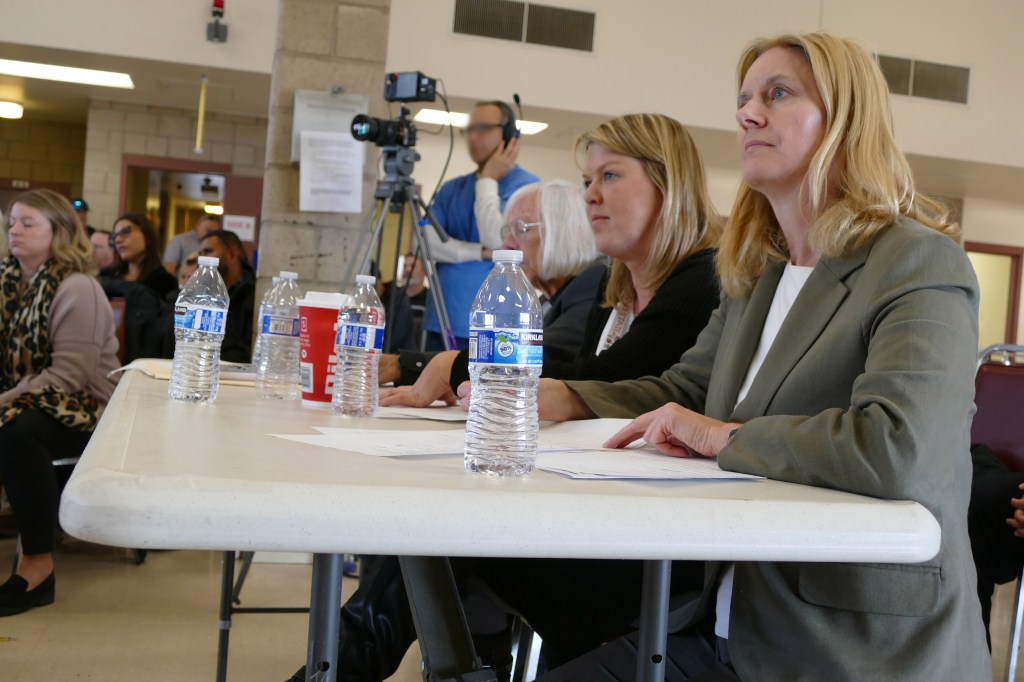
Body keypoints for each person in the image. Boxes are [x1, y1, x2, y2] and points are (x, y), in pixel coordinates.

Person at [518, 32, 990, 680]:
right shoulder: (759, 272)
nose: (746, 114)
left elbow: (898, 447)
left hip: (854, 649)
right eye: (743, 99)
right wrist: (570, 397)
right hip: (728, 627)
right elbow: (685, 389)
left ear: (845, 119)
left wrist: (723, 438)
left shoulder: (918, 261)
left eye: (777, 94)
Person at [285, 114, 724, 682]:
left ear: (670, 186)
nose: (590, 195)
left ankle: (340, 668)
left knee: (433, 529)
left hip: (645, 547)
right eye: (588, 180)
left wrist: (450, 364)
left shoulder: (702, 281)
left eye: (609, 176)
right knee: (432, 529)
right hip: (595, 513)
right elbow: (577, 383)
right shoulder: (614, 295)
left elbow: (603, 384)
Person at [0, 189, 119, 616]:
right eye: (12, 221)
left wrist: (4, 400)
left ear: (60, 233)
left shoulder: (78, 287)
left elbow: (67, 377)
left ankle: (38, 567)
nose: (15, 229)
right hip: (27, 399)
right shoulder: (8, 281)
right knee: (16, 422)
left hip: (87, 408)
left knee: (17, 434)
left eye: (28, 222)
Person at [380, 178, 606, 388]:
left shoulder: (593, 283)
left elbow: (530, 360)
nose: (506, 243)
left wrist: (404, 365)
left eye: (521, 229)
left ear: (565, 233)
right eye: (507, 231)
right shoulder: (548, 299)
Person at [420, 101, 539, 350]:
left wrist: (487, 180)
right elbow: (424, 243)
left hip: (497, 326)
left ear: (509, 136)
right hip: (441, 320)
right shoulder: (452, 189)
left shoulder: (529, 189)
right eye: (469, 129)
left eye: (483, 128)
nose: (473, 137)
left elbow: (499, 242)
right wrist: (480, 253)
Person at [198, 229, 255, 363]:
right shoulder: (200, 293)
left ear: (232, 255)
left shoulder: (254, 296)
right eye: (200, 254)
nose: (201, 259)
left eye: (208, 252)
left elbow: (245, 351)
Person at [109, 213, 179, 299]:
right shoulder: (108, 277)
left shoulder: (164, 282)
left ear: (147, 235)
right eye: (115, 236)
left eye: (125, 232)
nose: (118, 240)